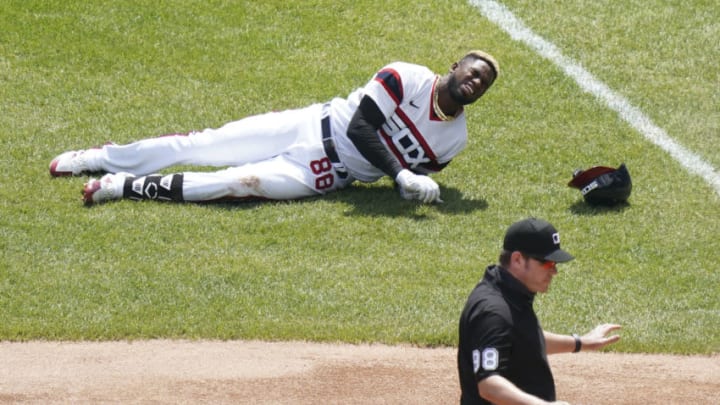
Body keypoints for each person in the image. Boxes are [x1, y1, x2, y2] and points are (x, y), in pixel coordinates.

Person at [49, 50, 499, 206]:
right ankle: (100, 157)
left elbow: (421, 170)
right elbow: (363, 128)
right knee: (204, 144)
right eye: (472, 71)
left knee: (231, 185)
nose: (475, 81)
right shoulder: (406, 76)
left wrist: (415, 186)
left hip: (323, 176)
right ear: (454, 67)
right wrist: (401, 174)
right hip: (307, 125)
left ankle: (122, 187)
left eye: (483, 83)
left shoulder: (453, 139)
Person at [457, 218, 622, 405]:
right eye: (547, 263)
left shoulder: (508, 293)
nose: (554, 272)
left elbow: (521, 339)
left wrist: (580, 342)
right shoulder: (494, 311)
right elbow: (489, 385)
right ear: (518, 259)